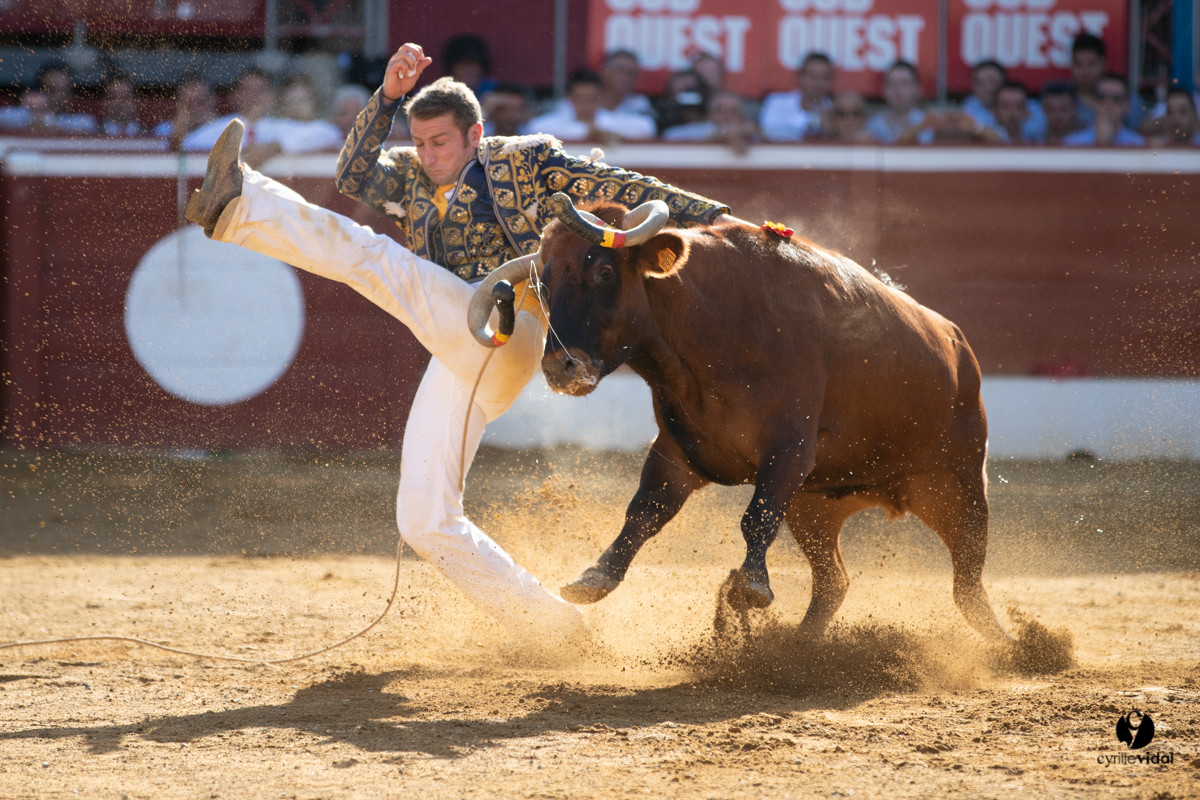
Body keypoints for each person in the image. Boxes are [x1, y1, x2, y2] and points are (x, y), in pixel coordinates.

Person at [181, 42, 731, 650]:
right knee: (423, 519)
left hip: (507, 326)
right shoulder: (412, 179)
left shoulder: (528, 163)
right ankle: (555, 631)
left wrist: (729, 223)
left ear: (474, 135)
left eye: (439, 142)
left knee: (375, 258)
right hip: (461, 347)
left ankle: (240, 203)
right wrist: (386, 98)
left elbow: (622, 185)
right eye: (418, 142)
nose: (426, 155)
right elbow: (353, 175)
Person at [183, 67, 342, 163]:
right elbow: (186, 145)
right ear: (235, 95)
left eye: (259, 91)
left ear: (270, 97)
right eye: (247, 90)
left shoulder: (280, 127)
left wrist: (276, 146)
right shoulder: (220, 128)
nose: (252, 96)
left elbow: (329, 133)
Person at [528, 68, 655, 143]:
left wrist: (599, 130)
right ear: (569, 98)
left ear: (601, 97)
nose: (585, 105)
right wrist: (591, 131)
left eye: (591, 99)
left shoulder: (609, 119)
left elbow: (646, 127)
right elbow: (534, 128)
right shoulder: (553, 122)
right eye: (579, 99)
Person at [0, 60, 97, 134]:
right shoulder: (20, 115)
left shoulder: (80, 122)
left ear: (70, 96)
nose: (58, 96)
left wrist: (46, 122)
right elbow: (4, 117)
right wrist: (34, 115)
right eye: (51, 90)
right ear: (38, 92)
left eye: (63, 91)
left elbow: (88, 124)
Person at [758, 51, 834, 141]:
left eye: (823, 77)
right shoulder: (776, 102)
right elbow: (767, 131)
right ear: (800, 76)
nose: (817, 83)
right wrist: (813, 121)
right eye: (812, 76)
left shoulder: (837, 110)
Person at [660, 90, 760, 154]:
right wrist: (721, 134)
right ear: (709, 115)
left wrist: (748, 131)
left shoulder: (750, 135)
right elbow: (669, 136)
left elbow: (770, 135)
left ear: (742, 116)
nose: (726, 116)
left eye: (733, 112)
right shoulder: (699, 130)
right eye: (719, 111)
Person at [1062, 74, 1145, 146]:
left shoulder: (1140, 145)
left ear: (1127, 106)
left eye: (1116, 99)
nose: (1108, 104)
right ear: (1093, 102)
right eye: (1101, 97)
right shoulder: (1070, 144)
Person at [152, 72, 218, 148]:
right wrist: (178, 136)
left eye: (200, 103)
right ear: (178, 104)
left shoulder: (225, 128)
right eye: (188, 104)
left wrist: (212, 126)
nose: (195, 109)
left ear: (212, 101)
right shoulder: (164, 130)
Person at [865, 61, 927, 143]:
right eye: (892, 84)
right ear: (883, 90)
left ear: (917, 89)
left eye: (905, 83)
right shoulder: (872, 127)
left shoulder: (929, 125)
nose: (898, 90)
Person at [598, 49, 655, 120]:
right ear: (604, 72)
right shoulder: (587, 99)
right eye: (621, 71)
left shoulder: (639, 104)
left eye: (631, 73)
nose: (626, 78)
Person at [442, 34, 497, 99]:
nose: (468, 71)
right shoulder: (438, 92)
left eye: (472, 64)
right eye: (463, 65)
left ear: (482, 67)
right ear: (452, 68)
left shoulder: (497, 90)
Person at [98, 71, 145, 137]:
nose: (119, 102)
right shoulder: (90, 134)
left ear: (135, 101)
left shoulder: (148, 134)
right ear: (104, 101)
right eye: (113, 97)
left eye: (125, 97)